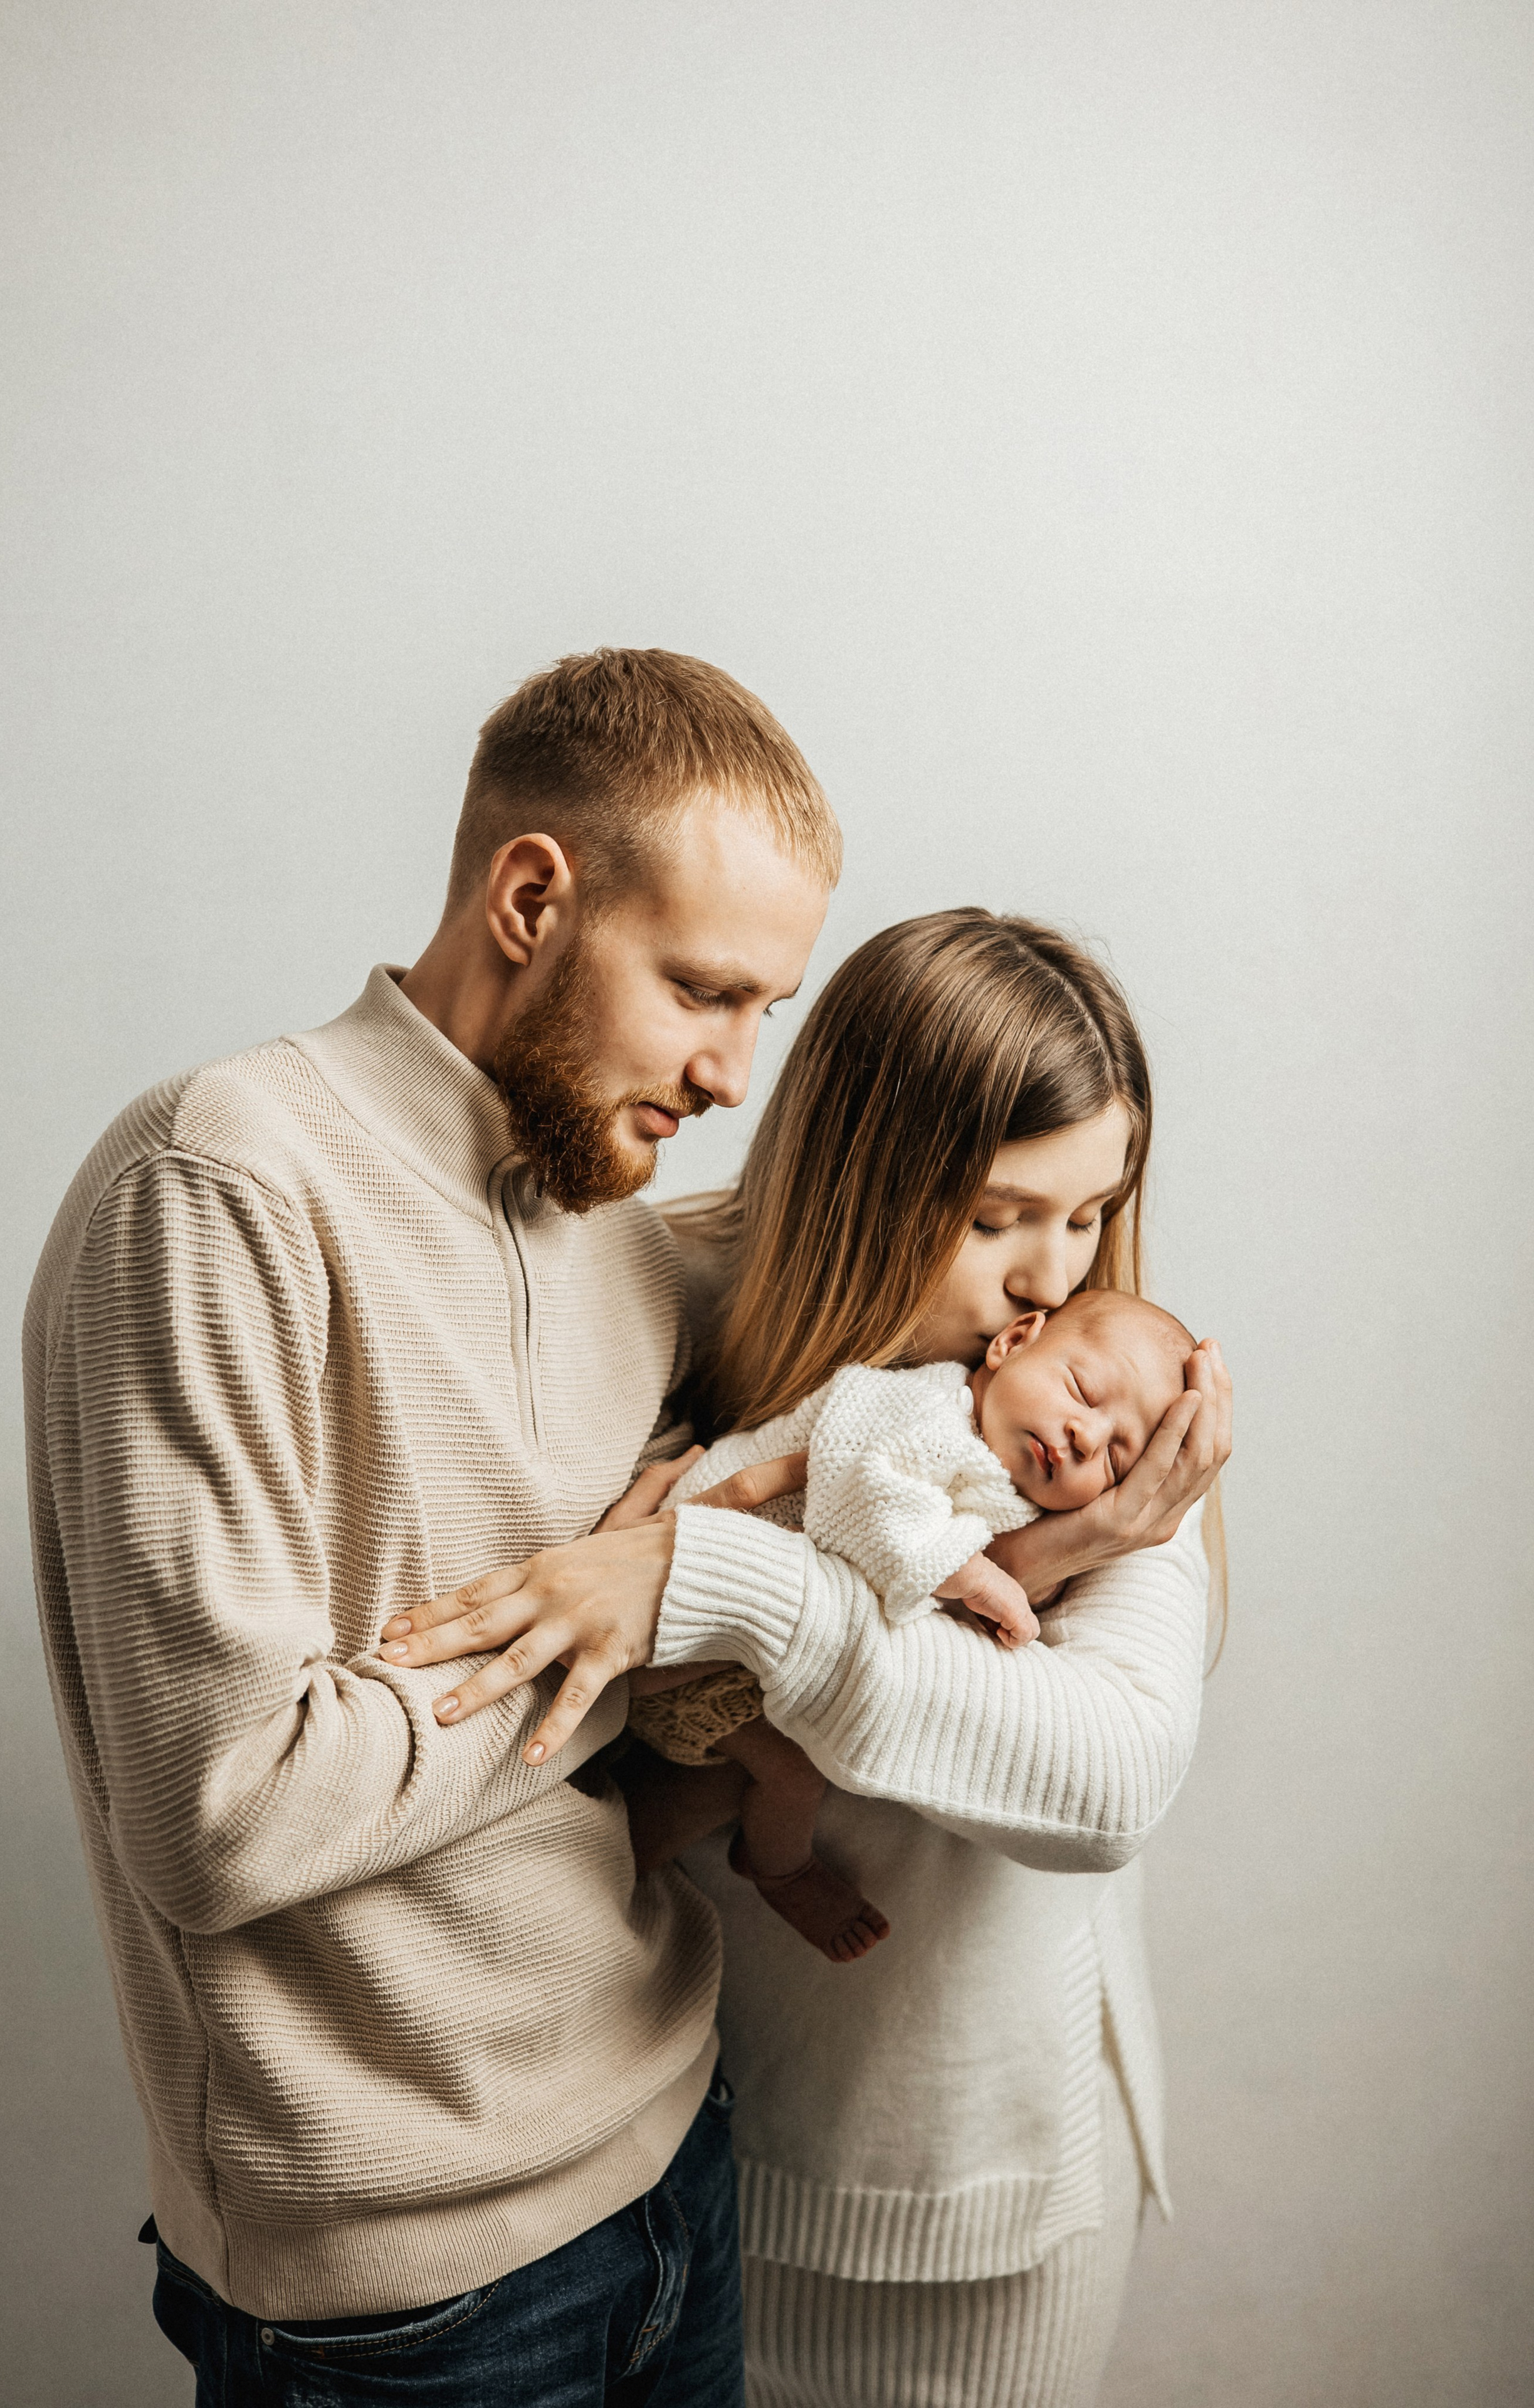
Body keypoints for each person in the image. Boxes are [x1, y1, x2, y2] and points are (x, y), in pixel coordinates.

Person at [23, 647, 842, 2406]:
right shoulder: (223, 1183)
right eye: (706, 991)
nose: (733, 1072)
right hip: (411, 2308)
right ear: (533, 897)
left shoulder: (622, 1226)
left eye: (769, 1009)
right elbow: (221, 1817)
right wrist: (624, 1630)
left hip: (680, 2155)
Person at [384, 908, 1232, 2408]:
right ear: (864, 1178)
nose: (1051, 1277)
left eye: (1090, 1210)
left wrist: (720, 1573)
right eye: (994, 1218)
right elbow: (552, 1673)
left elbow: (1103, 1778)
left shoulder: (1105, 1424)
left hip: (960, 2196)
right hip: (651, 2165)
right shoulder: (657, 1294)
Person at [624, 1289, 1197, 1966]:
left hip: (735, 1677)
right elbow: (863, 1491)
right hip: (674, 1613)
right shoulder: (927, 1408)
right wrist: (977, 1576)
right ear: (1013, 1342)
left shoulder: (1014, 1487)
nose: (1085, 1436)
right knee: (793, 1776)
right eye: (1080, 1390)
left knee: (723, 1790)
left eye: (1116, 1460)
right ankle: (779, 1868)